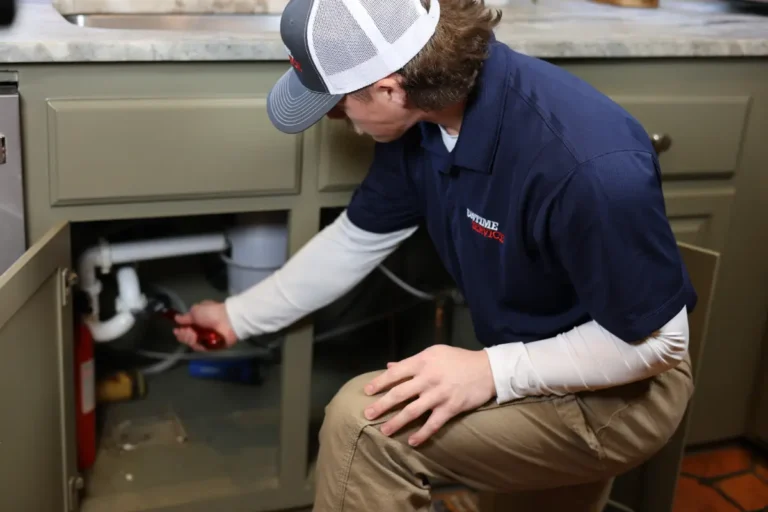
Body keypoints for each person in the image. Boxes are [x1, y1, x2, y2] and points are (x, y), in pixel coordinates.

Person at [173, 0, 697, 510]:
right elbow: (355, 240)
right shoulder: (426, 117)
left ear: (389, 89)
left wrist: (491, 371)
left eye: (335, 105)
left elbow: (660, 343)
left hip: (622, 390)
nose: (338, 121)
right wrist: (237, 317)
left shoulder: (588, 165)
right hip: (537, 353)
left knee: (367, 428)